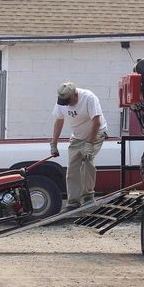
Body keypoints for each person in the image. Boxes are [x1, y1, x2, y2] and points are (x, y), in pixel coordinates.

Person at [50, 82, 108, 211]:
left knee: (87, 161)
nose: (67, 105)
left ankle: (88, 197)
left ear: (75, 95)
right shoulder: (62, 101)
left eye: (68, 102)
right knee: (72, 168)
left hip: (96, 133)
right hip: (77, 136)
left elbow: (96, 122)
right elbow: (59, 121)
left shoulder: (89, 98)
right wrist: (54, 143)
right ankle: (73, 202)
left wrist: (89, 144)